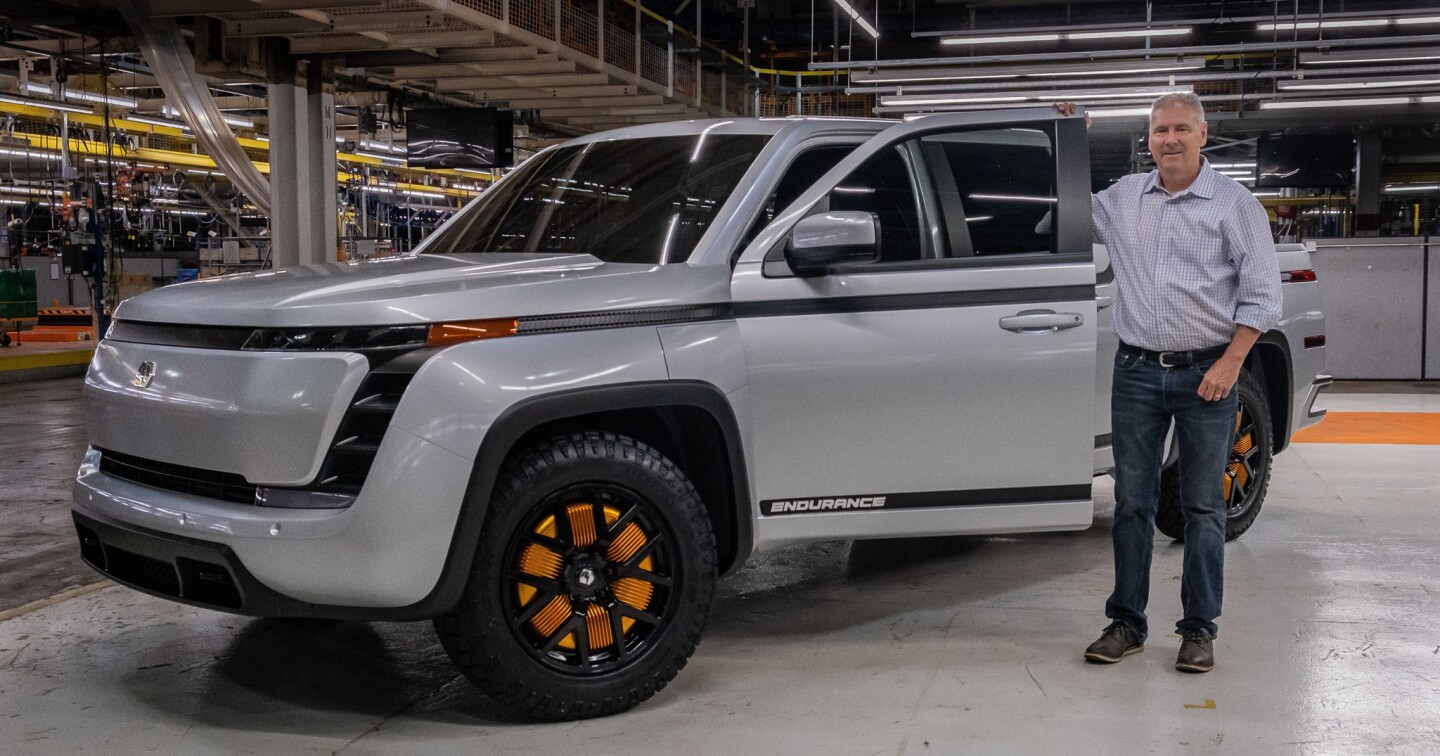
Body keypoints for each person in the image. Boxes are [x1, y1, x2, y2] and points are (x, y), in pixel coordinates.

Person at [1056, 95, 1282, 673]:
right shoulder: (1124, 198)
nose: (1170, 139)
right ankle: (1126, 622)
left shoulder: (1235, 206)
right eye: (1160, 130)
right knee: (1132, 502)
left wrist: (1231, 363)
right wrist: (1067, 136)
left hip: (1209, 370)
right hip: (1136, 371)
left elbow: (1263, 296)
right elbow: (1067, 203)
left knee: (1204, 507)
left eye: (1182, 128)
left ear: (1204, 135)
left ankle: (1198, 629)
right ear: (1148, 138)